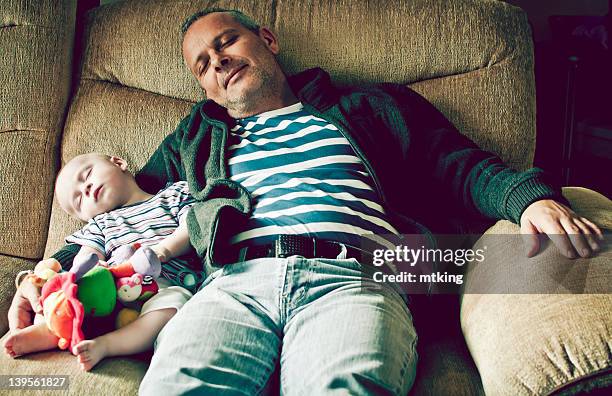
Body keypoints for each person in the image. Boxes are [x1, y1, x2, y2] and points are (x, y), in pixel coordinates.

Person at [8, 8, 604, 395]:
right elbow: (123, 209)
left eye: (228, 42)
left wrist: (527, 199)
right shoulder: (198, 136)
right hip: (232, 285)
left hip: (352, 277)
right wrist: (49, 272)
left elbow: (455, 163)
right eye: (204, 65)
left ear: (265, 40)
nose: (219, 62)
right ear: (205, 86)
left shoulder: (370, 109)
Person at [4, 153, 197, 371]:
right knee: (66, 293)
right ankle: (50, 330)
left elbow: (191, 227)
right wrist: (92, 272)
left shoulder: (174, 194)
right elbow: (86, 258)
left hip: (165, 283)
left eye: (87, 175)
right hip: (114, 289)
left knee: (172, 304)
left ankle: (107, 345)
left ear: (118, 162)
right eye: (79, 200)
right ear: (85, 217)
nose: (85, 189)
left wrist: (162, 251)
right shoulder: (100, 224)